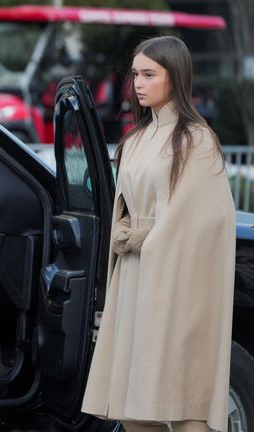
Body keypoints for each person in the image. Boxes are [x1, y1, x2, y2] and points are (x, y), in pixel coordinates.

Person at [81, 36, 235, 432]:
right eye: (135, 74)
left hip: (178, 282)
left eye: (150, 74)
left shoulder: (196, 140)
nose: (139, 83)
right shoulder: (136, 139)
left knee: (185, 402)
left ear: (175, 77)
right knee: (133, 404)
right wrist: (123, 229)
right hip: (136, 276)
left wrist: (140, 236)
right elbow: (126, 205)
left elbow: (201, 220)